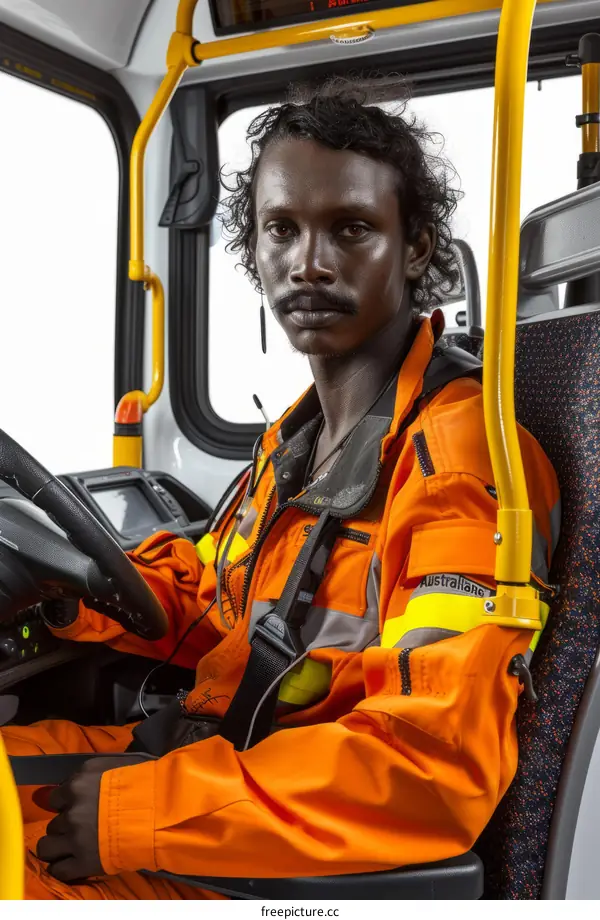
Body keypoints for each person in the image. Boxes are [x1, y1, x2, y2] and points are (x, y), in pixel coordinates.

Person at [3, 79, 560, 900]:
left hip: (288, 842)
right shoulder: (298, 441)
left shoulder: (460, 461)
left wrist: (146, 809)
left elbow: (432, 761)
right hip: (232, 775)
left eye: (352, 229)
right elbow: (221, 603)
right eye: (281, 230)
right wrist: (68, 593)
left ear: (415, 249)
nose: (308, 263)